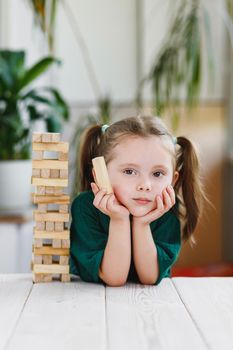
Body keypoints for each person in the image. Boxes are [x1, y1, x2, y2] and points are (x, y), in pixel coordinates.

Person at [70, 115, 205, 286]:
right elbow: (114, 278)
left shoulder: (165, 209)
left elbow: (149, 278)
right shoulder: (85, 207)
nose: (145, 185)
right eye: (129, 171)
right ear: (100, 174)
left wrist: (142, 223)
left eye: (157, 174)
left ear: (173, 180)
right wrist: (119, 219)